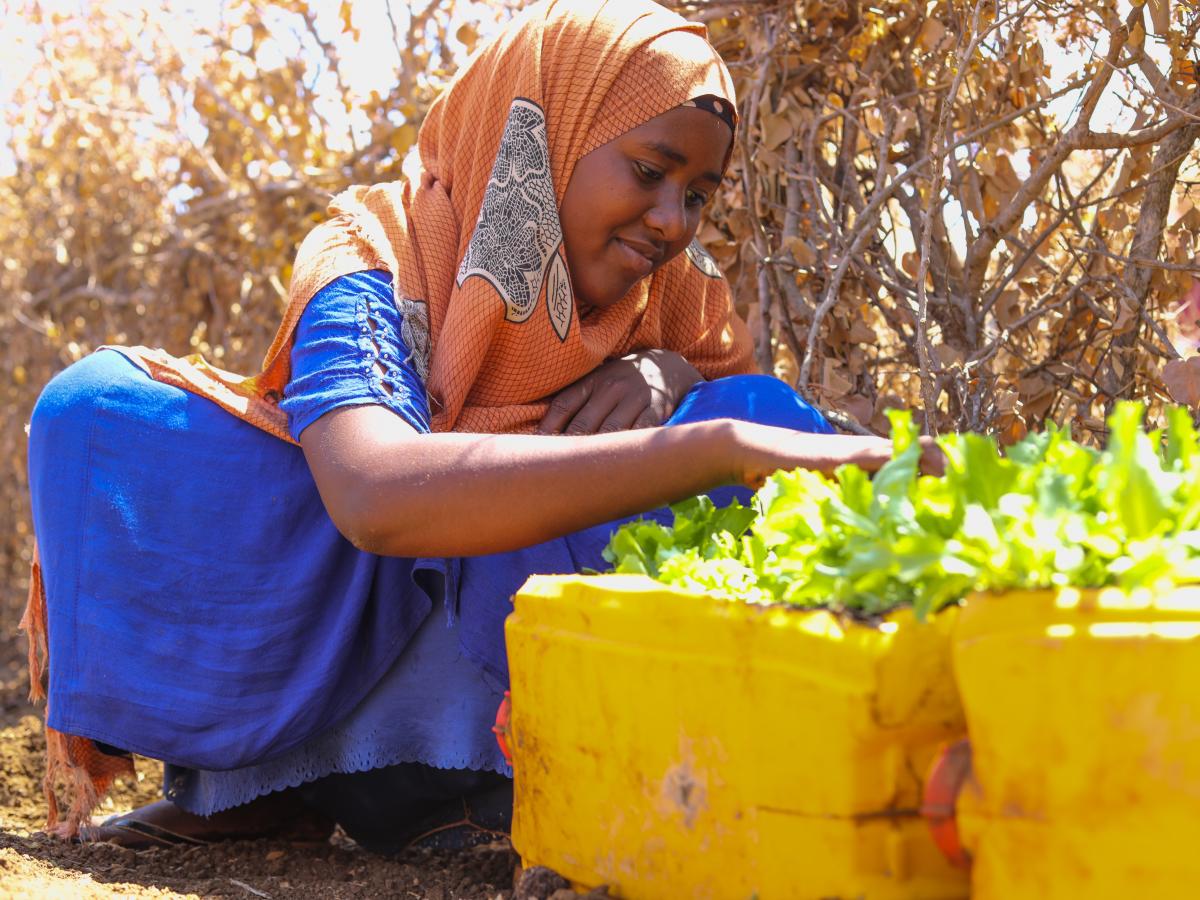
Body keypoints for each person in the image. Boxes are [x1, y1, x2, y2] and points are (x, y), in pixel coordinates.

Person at [22, 0, 928, 851]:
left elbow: (748, 408)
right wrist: (703, 448)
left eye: (698, 195)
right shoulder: (377, 263)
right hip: (349, 601)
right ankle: (268, 779)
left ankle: (552, 772)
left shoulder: (666, 302)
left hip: (508, 682)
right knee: (95, 411)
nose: (670, 221)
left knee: (753, 406)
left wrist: (670, 371)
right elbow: (377, 498)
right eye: (650, 173)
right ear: (541, 138)